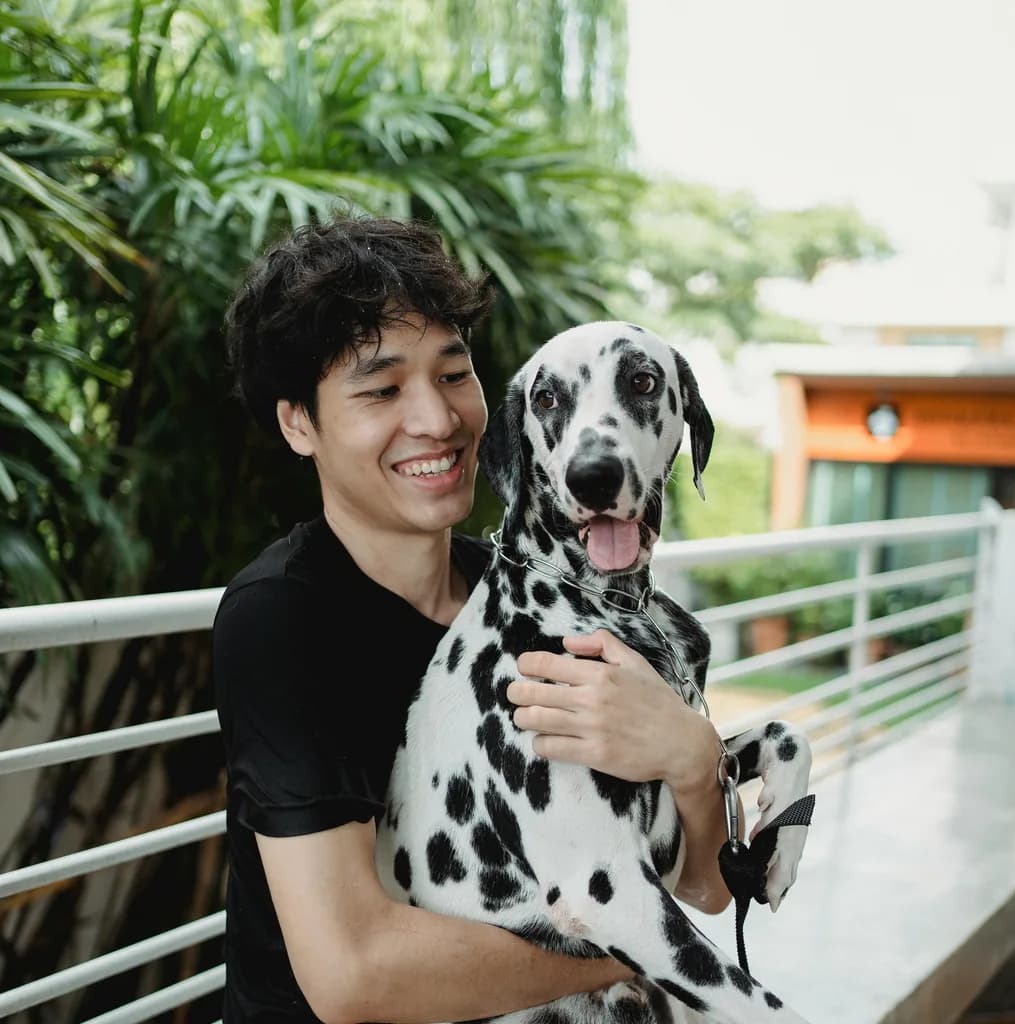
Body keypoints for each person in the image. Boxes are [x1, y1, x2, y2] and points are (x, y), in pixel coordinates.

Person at [213, 215, 741, 1024]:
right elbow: (353, 972)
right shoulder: (282, 618)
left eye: (453, 373)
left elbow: (701, 888)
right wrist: (635, 939)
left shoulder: (528, 593)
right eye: (382, 389)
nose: (438, 418)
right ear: (299, 423)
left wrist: (693, 759)